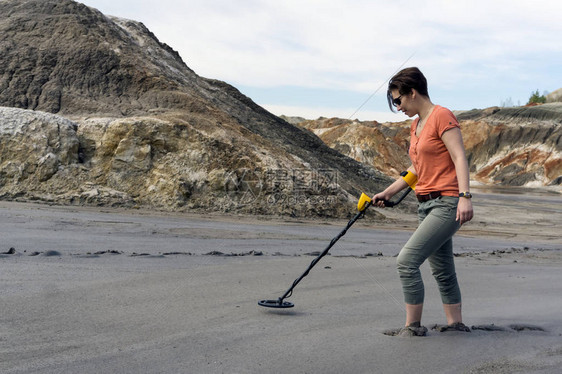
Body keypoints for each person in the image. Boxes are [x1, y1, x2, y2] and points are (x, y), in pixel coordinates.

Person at [373, 67, 473, 337]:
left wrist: (465, 197)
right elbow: (416, 168)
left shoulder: (442, 116)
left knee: (406, 262)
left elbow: (459, 157)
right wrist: (389, 192)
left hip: (447, 203)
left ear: (412, 92)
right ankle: (456, 325)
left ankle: (413, 327)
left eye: (398, 100)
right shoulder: (416, 125)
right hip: (425, 204)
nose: (397, 107)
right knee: (441, 269)